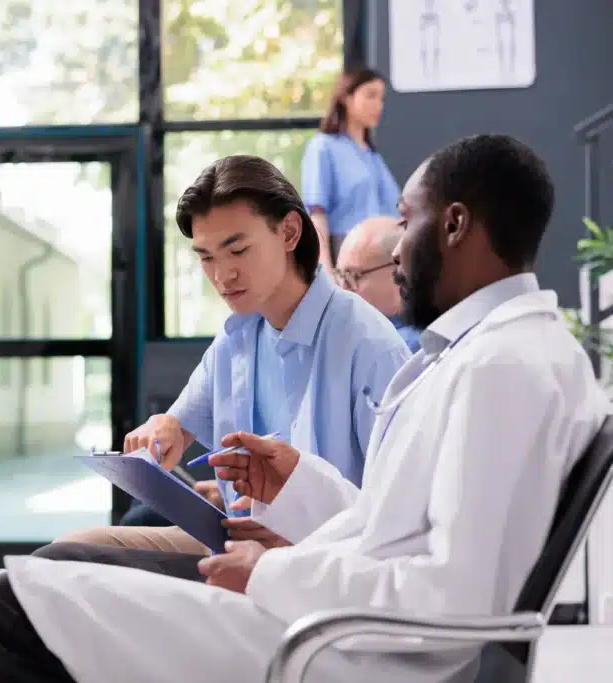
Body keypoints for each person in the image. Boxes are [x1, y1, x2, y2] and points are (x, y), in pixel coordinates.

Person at [0, 134, 610, 683]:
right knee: (45, 586)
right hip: (331, 606)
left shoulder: (498, 368)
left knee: (12, 606)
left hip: (344, 645)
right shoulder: (492, 355)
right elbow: (392, 527)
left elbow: (454, 597)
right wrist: (297, 483)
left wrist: (273, 573)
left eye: (404, 222)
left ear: (455, 225)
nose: (389, 255)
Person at [53, 154, 412, 555]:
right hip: (237, 540)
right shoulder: (240, 336)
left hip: (321, 557)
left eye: (237, 250)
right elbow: (176, 424)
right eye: (207, 257)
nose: (223, 275)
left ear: (290, 232)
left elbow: (400, 514)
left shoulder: (368, 344)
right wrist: (163, 428)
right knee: (68, 552)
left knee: (78, 560)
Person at [302, 66, 401, 268]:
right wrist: (325, 270)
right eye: (370, 95)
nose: (378, 105)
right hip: (348, 253)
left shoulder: (372, 156)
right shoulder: (323, 147)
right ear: (346, 98)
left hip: (385, 254)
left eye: (381, 98)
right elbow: (317, 213)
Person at [335, 215, 422, 352]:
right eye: (339, 275)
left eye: (353, 276)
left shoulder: (407, 348)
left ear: (400, 271)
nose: (342, 289)